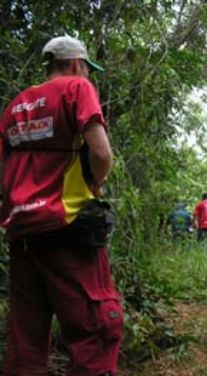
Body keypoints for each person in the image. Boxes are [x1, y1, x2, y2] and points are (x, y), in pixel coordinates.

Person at [0, 36, 124, 374]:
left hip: (22, 234)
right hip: (68, 228)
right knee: (95, 332)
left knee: (25, 344)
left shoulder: (15, 106)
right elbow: (100, 153)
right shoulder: (76, 88)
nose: (87, 75)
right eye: (86, 68)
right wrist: (94, 183)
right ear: (75, 64)